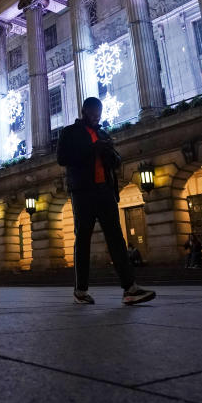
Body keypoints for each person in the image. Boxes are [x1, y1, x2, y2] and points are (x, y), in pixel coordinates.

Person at [57, 97, 156, 306]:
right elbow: (62, 158)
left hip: (104, 190)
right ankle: (80, 290)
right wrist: (92, 150)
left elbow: (116, 160)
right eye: (93, 113)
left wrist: (109, 152)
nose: (96, 117)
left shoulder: (102, 133)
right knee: (83, 239)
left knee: (116, 238)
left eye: (99, 114)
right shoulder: (70, 132)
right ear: (84, 111)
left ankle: (130, 288)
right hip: (83, 191)